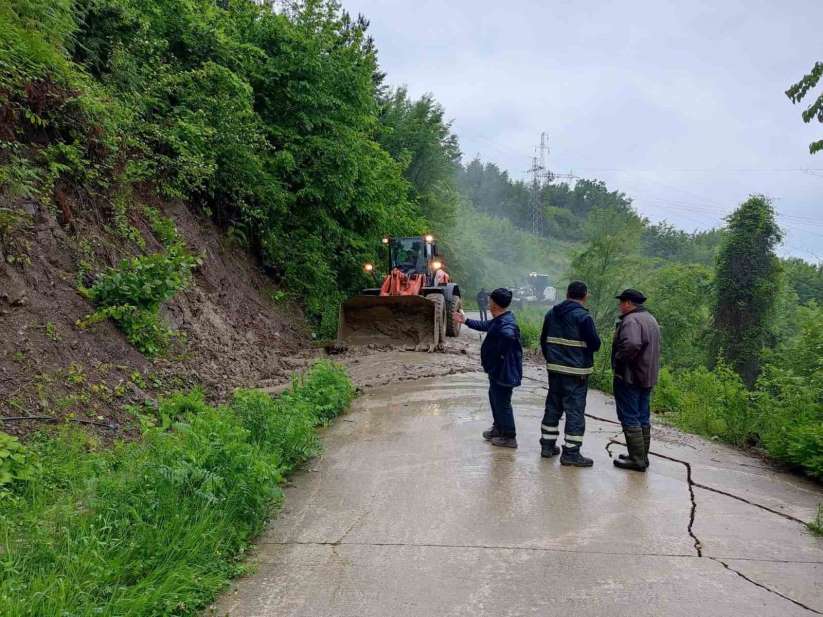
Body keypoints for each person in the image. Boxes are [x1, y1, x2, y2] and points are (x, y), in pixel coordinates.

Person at [539, 281, 601, 467]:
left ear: (567, 293)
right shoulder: (583, 317)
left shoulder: (552, 313)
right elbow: (595, 345)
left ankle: (547, 447)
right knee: (574, 412)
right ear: (585, 296)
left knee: (553, 407)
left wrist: (552, 360)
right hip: (576, 373)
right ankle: (571, 453)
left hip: (555, 370)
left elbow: (543, 339)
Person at [454, 288, 523, 448]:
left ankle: (509, 436)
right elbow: (486, 325)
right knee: (495, 398)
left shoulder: (506, 323)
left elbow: (508, 335)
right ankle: (498, 428)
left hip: (504, 371)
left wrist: (499, 355)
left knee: (503, 402)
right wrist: (466, 321)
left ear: (494, 304)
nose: (488, 302)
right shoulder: (501, 319)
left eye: (490, 300)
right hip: (497, 370)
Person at [611, 289, 661, 472]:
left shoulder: (631, 320)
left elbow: (631, 344)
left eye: (621, 302)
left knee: (630, 416)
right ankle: (641, 456)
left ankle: (637, 459)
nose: (620, 305)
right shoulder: (650, 318)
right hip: (647, 375)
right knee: (642, 416)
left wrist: (619, 358)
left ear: (629, 303)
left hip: (630, 376)